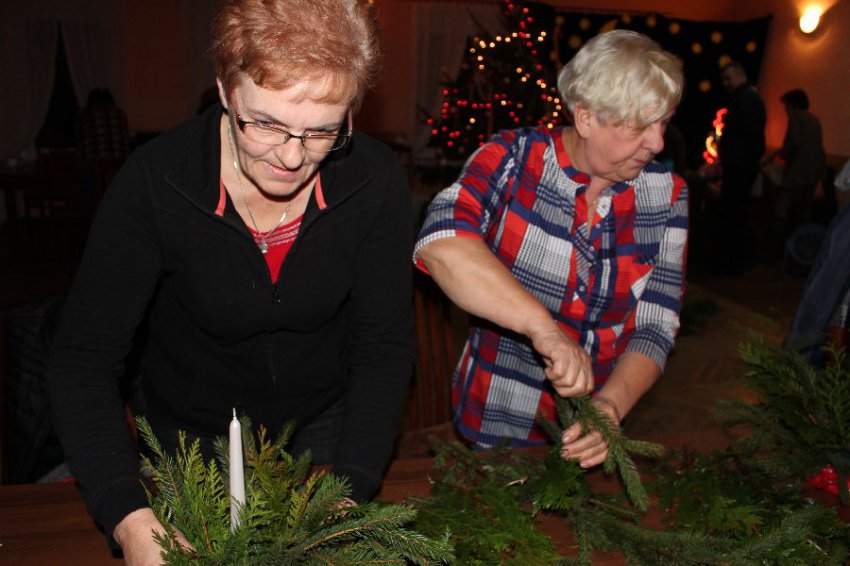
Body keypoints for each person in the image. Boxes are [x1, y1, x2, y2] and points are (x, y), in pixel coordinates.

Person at [46, 1, 414, 564]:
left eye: (322, 131)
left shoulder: (375, 181)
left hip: (324, 427)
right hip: (190, 437)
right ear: (224, 89)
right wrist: (130, 520)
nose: (292, 157)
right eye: (265, 123)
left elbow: (383, 349)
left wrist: (350, 488)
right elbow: (83, 362)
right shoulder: (155, 183)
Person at [414, 30, 687, 468]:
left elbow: (656, 323)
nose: (657, 143)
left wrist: (611, 406)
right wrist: (543, 328)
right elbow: (441, 243)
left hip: (593, 429)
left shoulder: (667, 194)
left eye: (664, 122)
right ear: (586, 117)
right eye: (639, 125)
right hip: (496, 423)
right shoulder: (513, 159)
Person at [761, 88, 826, 260]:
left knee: (781, 208)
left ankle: (773, 252)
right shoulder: (814, 120)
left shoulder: (796, 118)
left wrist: (779, 155)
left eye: (786, 105)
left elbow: (793, 144)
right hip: (814, 171)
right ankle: (803, 250)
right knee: (804, 210)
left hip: (798, 171)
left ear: (792, 104)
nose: (785, 109)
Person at [716, 61, 766, 275]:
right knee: (735, 214)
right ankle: (731, 263)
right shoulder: (746, 98)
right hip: (740, 165)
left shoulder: (746, 99)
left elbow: (753, 135)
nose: (725, 83)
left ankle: (730, 264)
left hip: (740, 167)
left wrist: (741, 159)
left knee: (734, 214)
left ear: (740, 75)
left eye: (728, 78)